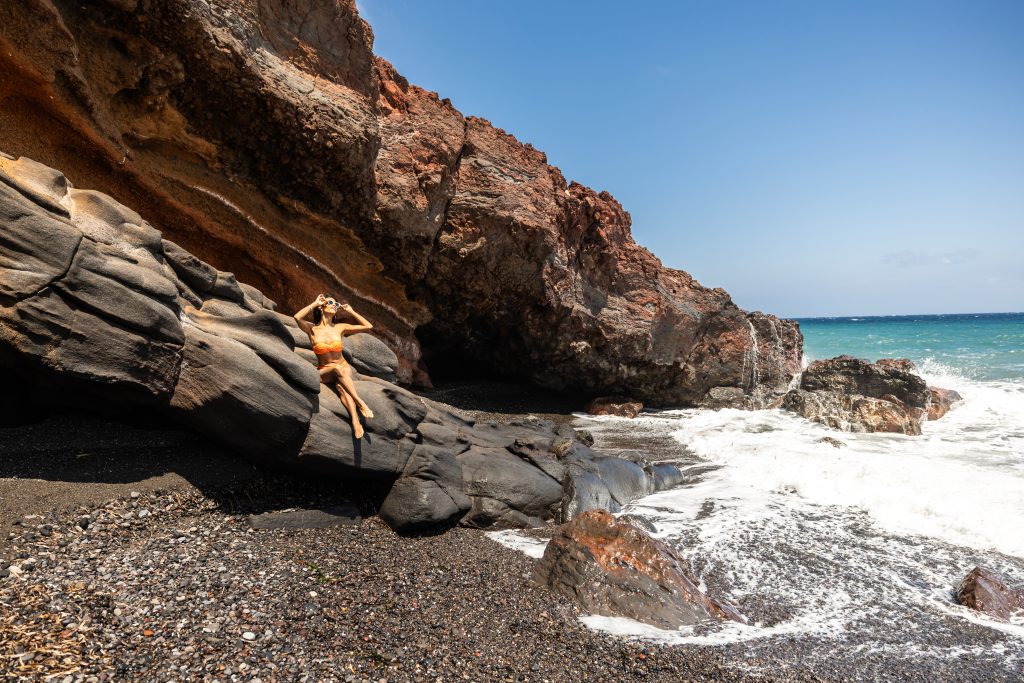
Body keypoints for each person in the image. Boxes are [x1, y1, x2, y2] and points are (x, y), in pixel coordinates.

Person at [294, 294, 375, 438]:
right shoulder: (312, 329)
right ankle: (359, 401)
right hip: (325, 371)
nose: (334, 306)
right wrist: (314, 303)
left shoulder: (340, 327)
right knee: (337, 370)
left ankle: (356, 422)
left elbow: (368, 326)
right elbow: (297, 317)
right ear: (322, 306)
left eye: (336, 305)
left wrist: (351, 312)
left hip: (343, 367)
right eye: (331, 303)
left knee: (342, 388)